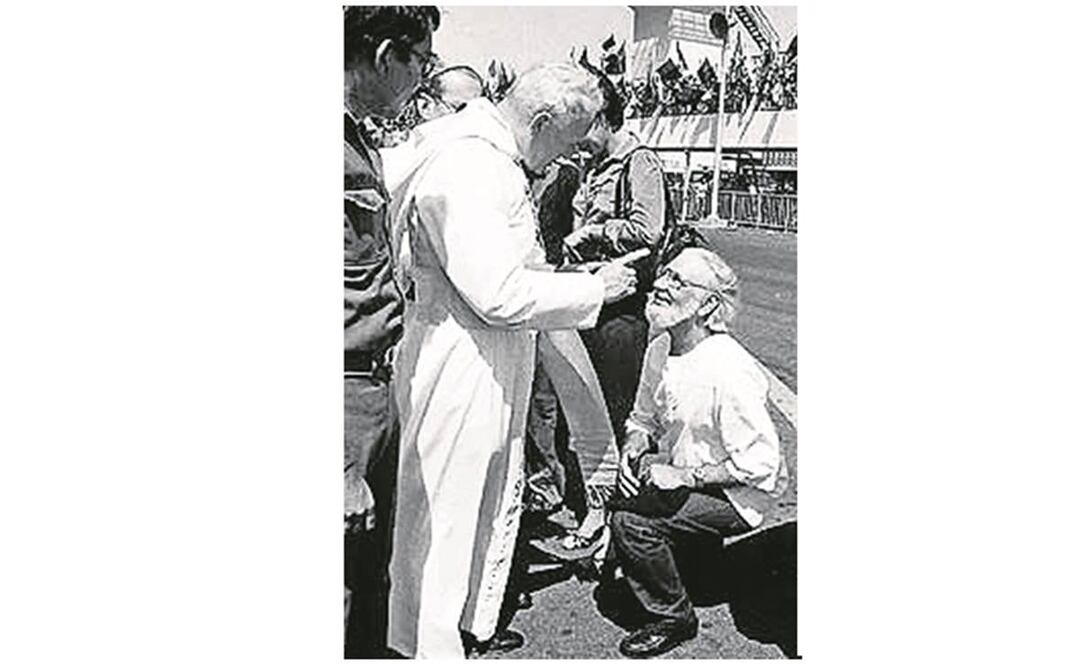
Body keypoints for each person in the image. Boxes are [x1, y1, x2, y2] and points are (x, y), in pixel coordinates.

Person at [384, 63, 638, 659]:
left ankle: (458, 632)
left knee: (474, 506)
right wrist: (594, 289)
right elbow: (497, 292)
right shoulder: (474, 164)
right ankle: (427, 647)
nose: (565, 158)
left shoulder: (484, 154)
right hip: (462, 357)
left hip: (480, 352)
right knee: (444, 521)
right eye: (568, 141)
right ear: (544, 121)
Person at [608, 248, 789, 658]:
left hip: (740, 495)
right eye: (664, 275)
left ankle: (674, 617)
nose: (659, 285)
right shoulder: (660, 347)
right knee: (627, 495)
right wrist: (633, 446)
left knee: (631, 521)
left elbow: (761, 465)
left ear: (708, 305)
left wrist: (685, 477)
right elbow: (642, 418)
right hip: (692, 471)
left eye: (677, 282)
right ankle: (697, 565)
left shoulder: (729, 371)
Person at [342, 5, 440, 658]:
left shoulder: (356, 140)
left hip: (370, 389)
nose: (423, 76)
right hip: (345, 399)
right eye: (421, 60)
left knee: (367, 574)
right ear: (384, 57)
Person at [562, 69, 668, 457]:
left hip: (623, 308)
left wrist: (596, 234)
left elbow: (648, 230)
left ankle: (617, 502)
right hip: (591, 298)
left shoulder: (639, 162)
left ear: (604, 117)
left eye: (583, 128)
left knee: (618, 409)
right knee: (585, 410)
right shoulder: (592, 166)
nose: (576, 141)